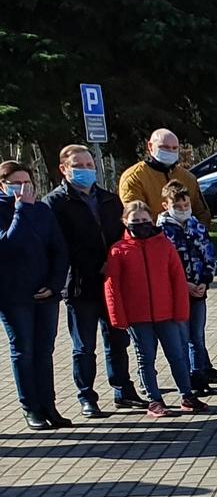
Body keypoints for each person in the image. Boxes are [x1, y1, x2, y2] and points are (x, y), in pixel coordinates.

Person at [47, 144, 138, 415]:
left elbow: (123, 237)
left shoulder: (109, 200)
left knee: (118, 339)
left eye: (89, 165)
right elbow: (59, 246)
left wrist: (115, 263)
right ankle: (86, 395)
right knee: (84, 346)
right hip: (80, 284)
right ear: (64, 169)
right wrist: (94, 266)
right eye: (79, 165)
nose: (86, 170)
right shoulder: (55, 203)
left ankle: (123, 389)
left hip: (111, 282)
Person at [106, 201, 203, 416]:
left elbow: (177, 280)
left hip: (166, 313)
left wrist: (180, 312)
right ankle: (154, 400)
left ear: (152, 220)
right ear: (125, 222)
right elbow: (112, 287)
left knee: (177, 355)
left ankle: (187, 395)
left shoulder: (164, 245)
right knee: (145, 358)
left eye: (144, 220)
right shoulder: (118, 251)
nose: (141, 224)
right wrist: (118, 318)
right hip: (138, 317)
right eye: (135, 221)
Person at [0, 161, 70, 430]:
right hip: (14, 296)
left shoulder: (41, 210)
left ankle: (48, 405)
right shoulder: (12, 210)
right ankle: (31, 408)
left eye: (27, 183)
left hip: (46, 294)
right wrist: (20, 210)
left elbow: (58, 249)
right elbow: (8, 245)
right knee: (24, 351)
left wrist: (55, 284)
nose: (23, 189)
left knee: (44, 351)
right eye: (16, 183)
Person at [157, 182, 217, 394]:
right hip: (177, 292)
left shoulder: (197, 227)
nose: (183, 209)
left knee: (197, 338)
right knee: (181, 339)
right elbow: (162, 265)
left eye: (186, 205)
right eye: (178, 206)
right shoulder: (161, 231)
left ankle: (199, 375)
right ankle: (185, 379)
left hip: (199, 290)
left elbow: (209, 255)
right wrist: (184, 284)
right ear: (166, 205)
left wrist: (204, 281)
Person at [117, 129, 209, 227]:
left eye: (174, 148)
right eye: (164, 147)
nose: (170, 151)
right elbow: (136, 218)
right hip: (152, 239)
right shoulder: (134, 178)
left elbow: (202, 214)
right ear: (150, 146)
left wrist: (197, 234)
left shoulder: (188, 178)